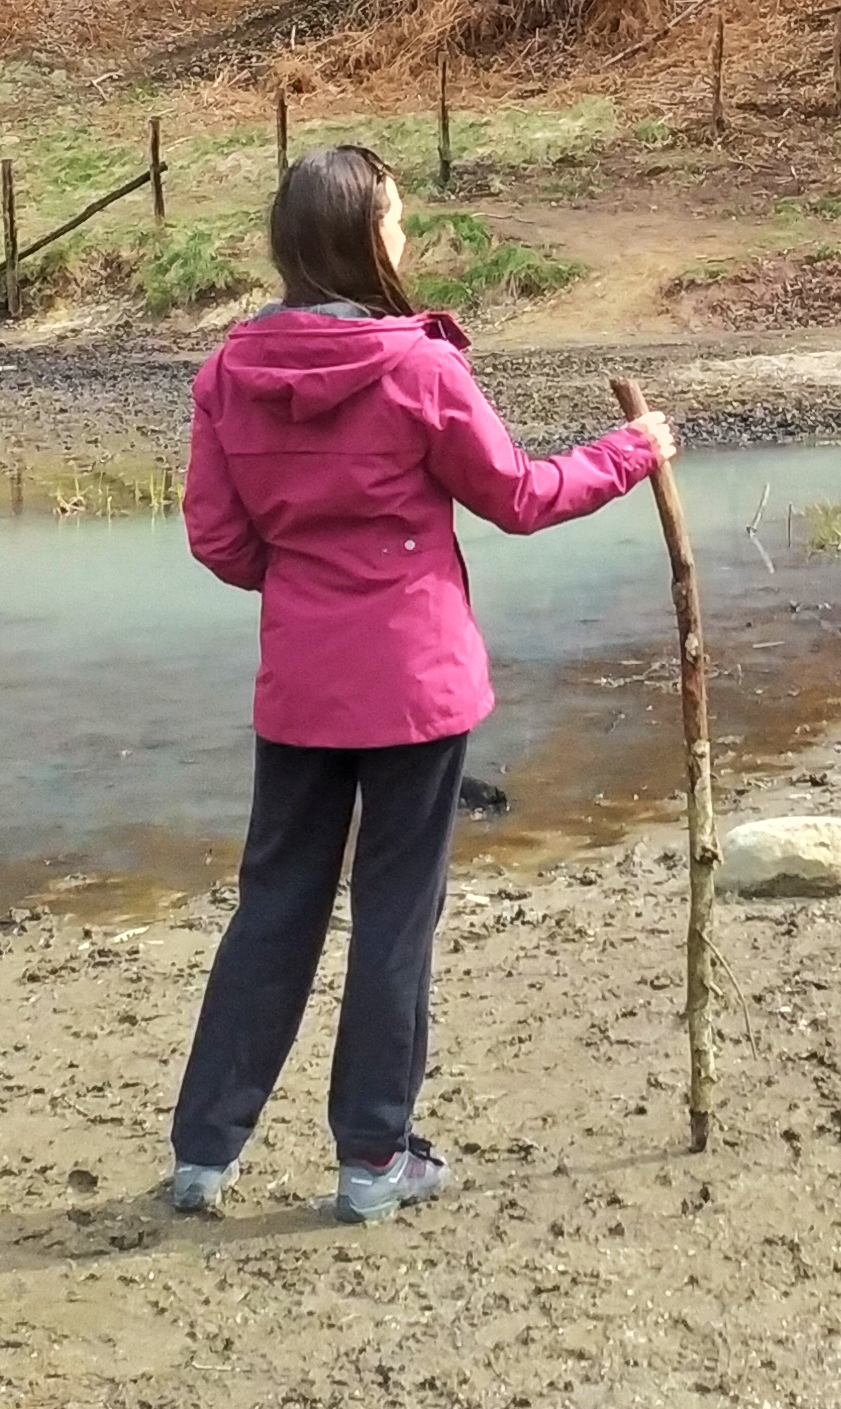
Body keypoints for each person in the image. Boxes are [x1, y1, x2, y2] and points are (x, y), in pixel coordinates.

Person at [167, 142, 675, 1224]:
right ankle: (372, 1159)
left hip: (301, 685)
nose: (405, 235)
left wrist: (306, 585)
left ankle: (204, 1155)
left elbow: (217, 539)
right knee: (395, 918)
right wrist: (632, 450)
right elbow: (522, 497)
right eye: (395, 219)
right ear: (365, 238)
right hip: (414, 685)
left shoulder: (227, 373)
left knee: (274, 908)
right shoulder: (420, 368)